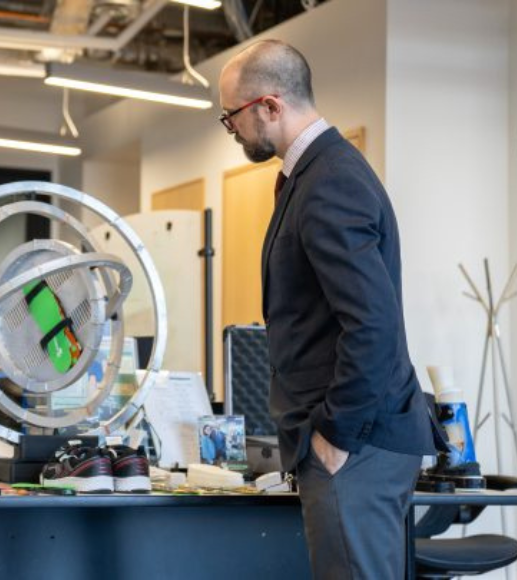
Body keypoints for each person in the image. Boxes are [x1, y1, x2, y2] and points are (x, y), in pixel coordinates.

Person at [218, 40, 437, 579]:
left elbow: (372, 324)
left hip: (355, 444)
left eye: (232, 118)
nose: (233, 131)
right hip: (356, 442)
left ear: (270, 106)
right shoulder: (313, 174)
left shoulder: (330, 180)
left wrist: (334, 435)